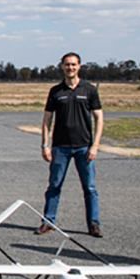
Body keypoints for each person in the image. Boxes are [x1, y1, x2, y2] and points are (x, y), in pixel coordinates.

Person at [35, 52, 104, 237]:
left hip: (84, 147)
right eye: (67, 64)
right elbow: (47, 120)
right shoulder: (56, 91)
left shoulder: (89, 90)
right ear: (62, 67)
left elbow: (99, 118)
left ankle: (94, 223)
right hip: (60, 148)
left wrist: (95, 145)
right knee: (54, 185)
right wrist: (45, 145)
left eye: (73, 64)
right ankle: (48, 222)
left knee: (90, 188)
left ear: (79, 66)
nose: (70, 68)